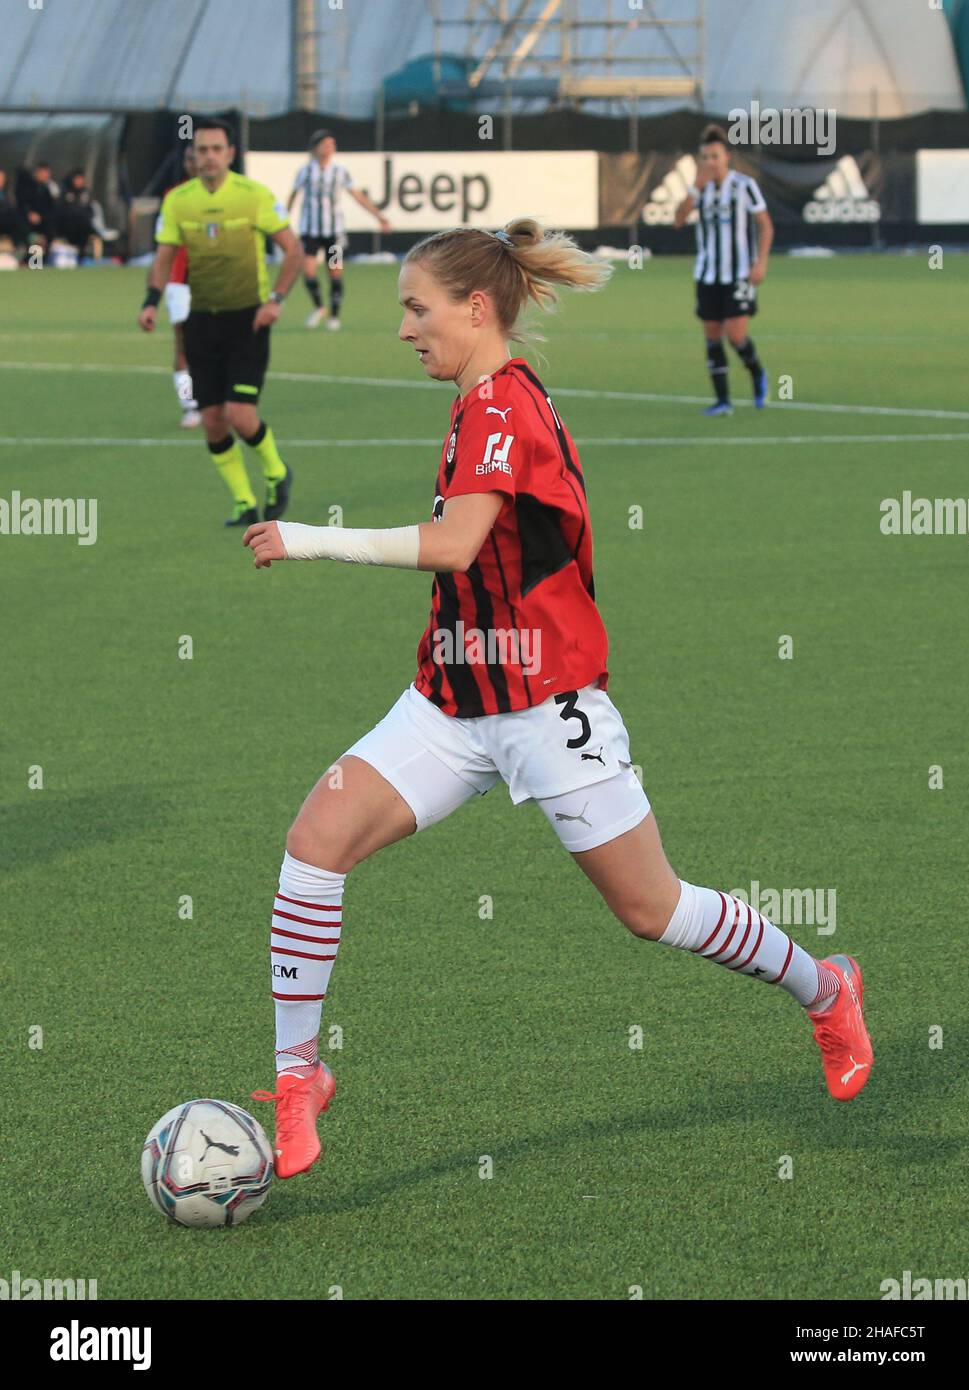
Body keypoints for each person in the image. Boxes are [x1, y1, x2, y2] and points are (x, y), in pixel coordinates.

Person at [240, 218, 874, 1180]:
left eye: (417, 309)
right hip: (452, 699)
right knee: (313, 845)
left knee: (652, 909)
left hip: (545, 702)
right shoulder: (477, 401)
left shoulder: (501, 412)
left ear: (475, 307)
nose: (406, 328)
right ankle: (297, 1078)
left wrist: (308, 538)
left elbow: (454, 546)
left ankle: (824, 987)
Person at [137, 117, 303, 526]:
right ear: (193, 156)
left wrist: (276, 300)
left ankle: (277, 472)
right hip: (200, 322)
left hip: (247, 321)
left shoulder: (254, 196)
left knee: (239, 414)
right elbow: (162, 257)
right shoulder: (179, 201)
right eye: (202, 150)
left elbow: (293, 251)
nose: (209, 156)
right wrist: (150, 301)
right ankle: (244, 502)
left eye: (217, 149)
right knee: (211, 420)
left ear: (230, 154)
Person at [674, 123, 774, 417]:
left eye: (715, 156)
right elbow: (678, 220)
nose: (710, 162)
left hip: (739, 273)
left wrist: (761, 262)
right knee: (712, 335)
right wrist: (695, 186)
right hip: (707, 274)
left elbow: (765, 224)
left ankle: (757, 373)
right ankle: (722, 401)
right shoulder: (699, 191)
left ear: (727, 156)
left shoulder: (744, 185)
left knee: (736, 334)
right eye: (705, 157)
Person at [287, 129, 392, 330]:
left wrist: (379, 217)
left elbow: (358, 196)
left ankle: (334, 316)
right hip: (310, 232)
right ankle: (319, 307)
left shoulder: (340, 171)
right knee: (308, 271)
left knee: (335, 273)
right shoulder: (305, 171)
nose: (330, 147)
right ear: (316, 147)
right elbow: (293, 195)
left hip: (334, 233)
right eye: (326, 144)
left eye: (332, 144)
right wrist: (284, 219)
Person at [162, 145, 202, 429]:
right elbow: (164, 246)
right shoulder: (173, 197)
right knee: (183, 345)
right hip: (180, 281)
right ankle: (189, 404)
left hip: (218, 280)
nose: (195, 162)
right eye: (190, 158)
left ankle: (216, 400)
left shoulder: (232, 197)